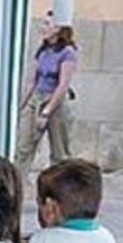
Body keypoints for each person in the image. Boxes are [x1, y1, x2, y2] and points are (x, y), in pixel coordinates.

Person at [16, 12, 79, 172]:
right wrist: (21, 107)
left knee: (60, 154)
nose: (43, 28)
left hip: (56, 101)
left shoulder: (67, 52)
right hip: (37, 97)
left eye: (47, 24)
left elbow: (63, 85)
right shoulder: (43, 50)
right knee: (23, 148)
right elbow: (34, 80)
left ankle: (60, 191)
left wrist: (46, 112)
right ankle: (18, 186)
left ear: (58, 29)